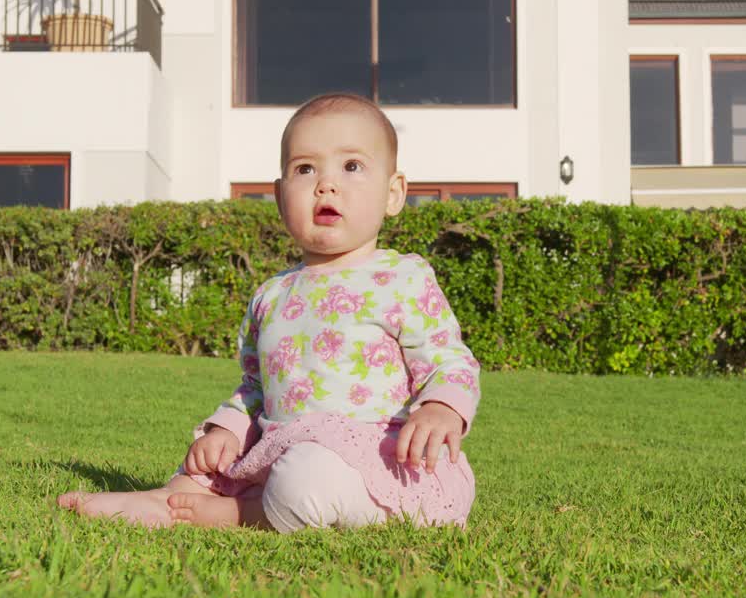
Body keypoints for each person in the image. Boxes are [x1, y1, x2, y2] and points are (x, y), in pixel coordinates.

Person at [56, 93, 479, 532]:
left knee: (307, 477)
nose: (326, 184)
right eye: (305, 169)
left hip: (377, 460)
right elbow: (255, 388)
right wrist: (226, 431)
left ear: (394, 194)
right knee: (206, 470)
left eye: (351, 167)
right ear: (280, 198)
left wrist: (441, 409)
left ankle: (244, 515)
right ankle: (166, 500)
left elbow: (449, 359)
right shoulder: (273, 295)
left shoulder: (404, 278)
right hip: (282, 446)